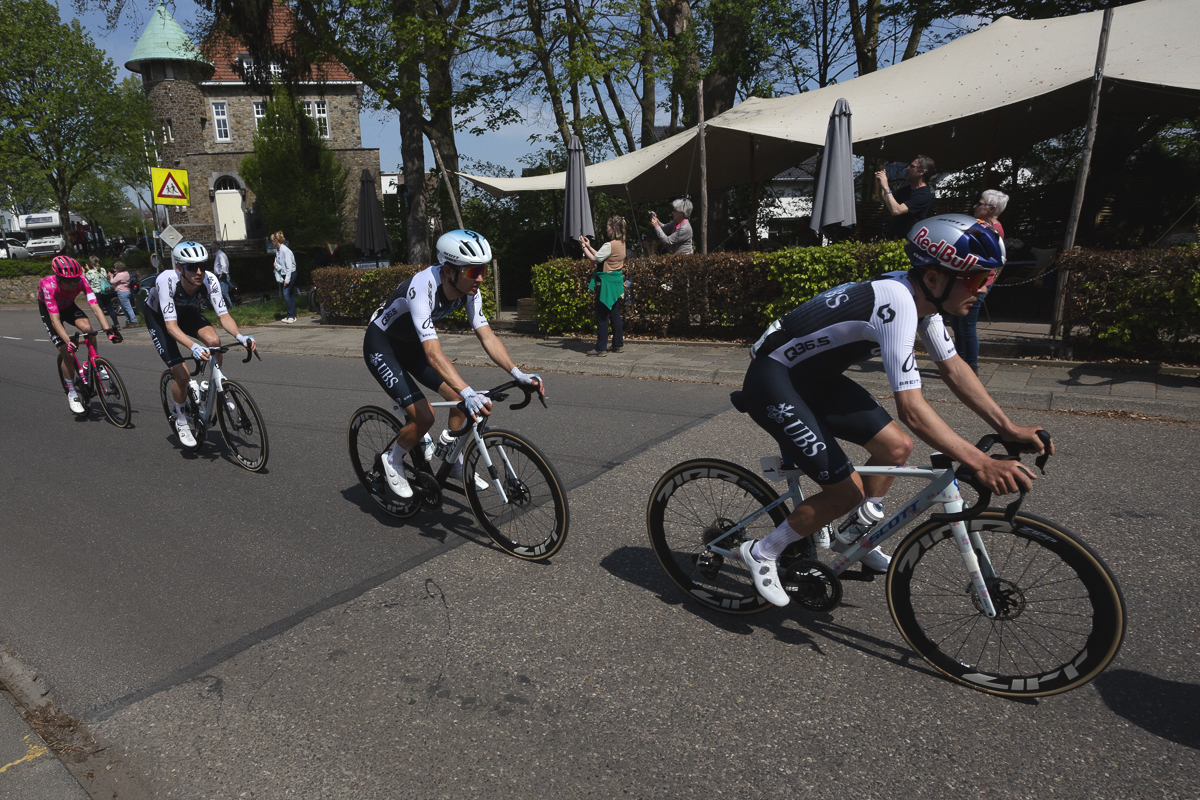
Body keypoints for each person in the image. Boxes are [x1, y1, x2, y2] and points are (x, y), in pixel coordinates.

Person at [737, 214, 1052, 607]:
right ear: (935, 278)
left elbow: (953, 367)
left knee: (896, 448)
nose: (984, 289)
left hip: (814, 379)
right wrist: (981, 462)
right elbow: (913, 409)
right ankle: (763, 551)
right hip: (773, 380)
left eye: (989, 279)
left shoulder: (925, 302)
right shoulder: (898, 300)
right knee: (845, 492)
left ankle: (855, 537)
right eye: (975, 279)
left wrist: (1008, 428)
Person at [362, 229, 545, 500]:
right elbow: (434, 355)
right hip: (383, 346)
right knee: (426, 416)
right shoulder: (422, 287)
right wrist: (470, 392)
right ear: (449, 270)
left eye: (482, 270)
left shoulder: (470, 290)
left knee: (460, 400)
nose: (480, 277)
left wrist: (517, 373)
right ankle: (393, 459)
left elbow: (486, 335)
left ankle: (454, 460)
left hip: (412, 347)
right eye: (473, 272)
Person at [143, 241, 257, 448]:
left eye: (202, 266)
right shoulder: (166, 280)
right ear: (179, 268)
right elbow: (170, 327)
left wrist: (241, 336)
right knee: (183, 374)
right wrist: (193, 347)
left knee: (215, 341)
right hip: (160, 319)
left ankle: (215, 380)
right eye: (191, 267)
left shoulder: (210, 279)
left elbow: (224, 316)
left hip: (185, 313)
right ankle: (181, 420)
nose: (199, 271)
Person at [38, 255, 123, 414]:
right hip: (51, 311)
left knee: (88, 328)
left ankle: (94, 361)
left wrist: (108, 330)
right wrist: (67, 341)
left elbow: (95, 307)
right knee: (66, 352)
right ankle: (72, 392)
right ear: (58, 278)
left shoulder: (82, 281)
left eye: (75, 279)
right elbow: (55, 321)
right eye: (68, 280)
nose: (72, 283)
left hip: (69, 307)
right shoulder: (48, 286)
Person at [949, 189, 1009, 373]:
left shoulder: (993, 231)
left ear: (991, 209)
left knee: (967, 326)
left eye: (980, 203)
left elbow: (987, 261)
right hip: (966, 281)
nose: (975, 206)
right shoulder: (982, 225)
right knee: (957, 323)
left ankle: (970, 365)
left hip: (977, 283)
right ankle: (959, 363)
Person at [579, 216, 627, 357]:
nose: (606, 228)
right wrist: (589, 246)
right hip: (615, 282)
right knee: (614, 314)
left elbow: (595, 259)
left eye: (607, 226)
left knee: (602, 316)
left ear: (613, 229)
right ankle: (618, 344)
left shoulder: (609, 245)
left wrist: (582, 246)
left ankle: (601, 348)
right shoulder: (622, 243)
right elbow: (601, 256)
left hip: (605, 283)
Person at [876, 155, 935, 239]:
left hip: (908, 241)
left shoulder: (924, 195)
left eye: (912, 166)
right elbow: (883, 199)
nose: (908, 168)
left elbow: (896, 210)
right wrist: (879, 186)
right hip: (894, 238)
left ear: (921, 172)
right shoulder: (907, 188)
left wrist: (886, 187)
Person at [272, 231, 297, 323]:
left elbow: (289, 266)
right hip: (285, 274)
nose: (271, 242)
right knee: (290, 294)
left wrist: (287, 279)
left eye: (272, 240)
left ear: (276, 240)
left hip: (290, 274)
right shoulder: (278, 250)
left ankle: (292, 316)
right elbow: (278, 259)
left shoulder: (284, 250)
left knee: (286, 295)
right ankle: (291, 315)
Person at [84, 256, 118, 324]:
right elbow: (103, 276)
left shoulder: (90, 272)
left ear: (91, 263)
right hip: (105, 291)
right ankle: (116, 323)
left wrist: (87, 270)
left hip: (97, 292)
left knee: (100, 310)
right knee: (110, 308)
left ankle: (104, 325)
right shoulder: (102, 269)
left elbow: (87, 279)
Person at [108, 261, 138, 328]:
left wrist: (111, 276)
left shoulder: (120, 275)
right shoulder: (127, 273)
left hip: (122, 292)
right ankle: (128, 321)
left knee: (127, 307)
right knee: (124, 308)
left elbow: (112, 281)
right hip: (127, 291)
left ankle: (134, 321)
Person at [213, 241, 232, 309]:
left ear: (215, 247)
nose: (211, 249)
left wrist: (222, 273)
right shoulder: (219, 254)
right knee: (223, 292)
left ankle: (229, 307)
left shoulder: (220, 255)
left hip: (222, 276)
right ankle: (226, 307)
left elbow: (223, 264)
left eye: (212, 247)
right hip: (221, 275)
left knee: (224, 293)